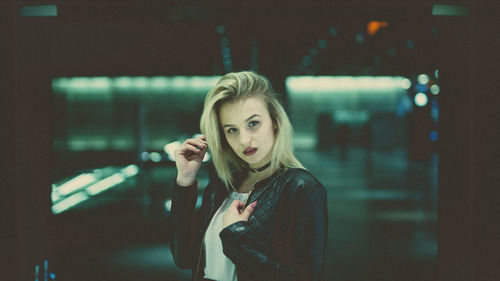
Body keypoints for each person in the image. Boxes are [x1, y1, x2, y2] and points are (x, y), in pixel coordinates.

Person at [170, 71, 328, 281]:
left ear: (275, 121)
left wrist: (237, 235)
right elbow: (184, 258)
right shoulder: (222, 186)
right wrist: (185, 182)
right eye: (232, 130)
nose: (244, 140)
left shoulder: (301, 188)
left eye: (253, 123)